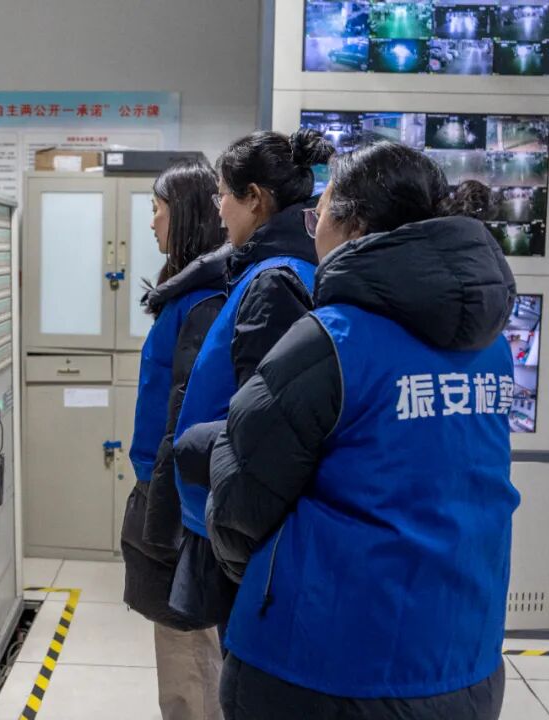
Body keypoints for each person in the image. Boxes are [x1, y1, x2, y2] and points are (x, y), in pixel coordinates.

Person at [208, 142, 519, 720]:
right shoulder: (492, 347)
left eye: (320, 212)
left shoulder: (331, 340)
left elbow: (240, 499)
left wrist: (263, 579)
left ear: (352, 225)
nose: (314, 228)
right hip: (463, 656)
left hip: (323, 669)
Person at [170, 129, 334, 631]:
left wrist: (195, 449)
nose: (218, 209)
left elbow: (262, 428)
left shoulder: (274, 282)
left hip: (237, 517)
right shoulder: (281, 269)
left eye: (222, 194)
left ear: (255, 199)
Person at [120, 160, 230, 720]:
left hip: (183, 497)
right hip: (170, 486)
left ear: (184, 215)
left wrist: (163, 504)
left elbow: (187, 416)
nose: (151, 223)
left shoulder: (203, 302)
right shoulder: (190, 294)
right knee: (184, 644)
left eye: (157, 210)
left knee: (190, 650)